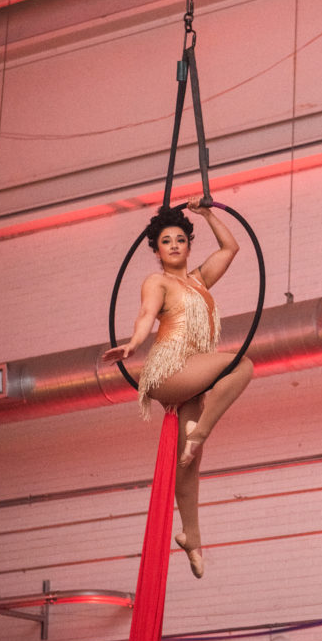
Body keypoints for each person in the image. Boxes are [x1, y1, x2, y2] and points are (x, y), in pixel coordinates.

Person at [102, 198, 253, 578]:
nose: (173, 245)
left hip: (190, 378)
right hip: (170, 371)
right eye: (166, 240)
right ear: (155, 250)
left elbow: (231, 248)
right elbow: (146, 316)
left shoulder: (199, 281)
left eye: (180, 239)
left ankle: (193, 538)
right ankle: (199, 433)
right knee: (241, 365)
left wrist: (206, 213)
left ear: (188, 245)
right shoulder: (158, 282)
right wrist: (133, 345)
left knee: (189, 466)